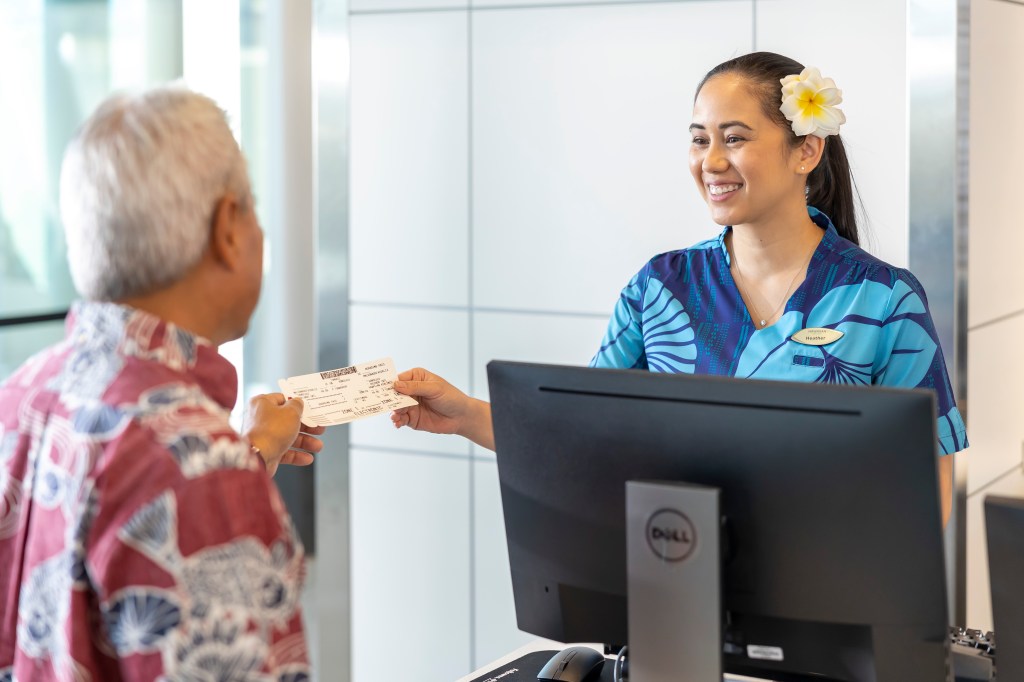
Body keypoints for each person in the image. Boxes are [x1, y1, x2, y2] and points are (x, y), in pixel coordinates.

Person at [391, 52, 968, 524]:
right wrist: (465, 414)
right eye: (699, 140)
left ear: (806, 150)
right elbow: (578, 434)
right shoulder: (661, 287)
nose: (711, 162)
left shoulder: (885, 300)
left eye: (735, 138)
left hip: (831, 606)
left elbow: (930, 487)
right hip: (672, 586)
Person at [0, 85, 325, 680]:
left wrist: (246, 454)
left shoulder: (19, 397)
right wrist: (229, 466)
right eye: (250, 207)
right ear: (228, 227)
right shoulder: (201, 469)